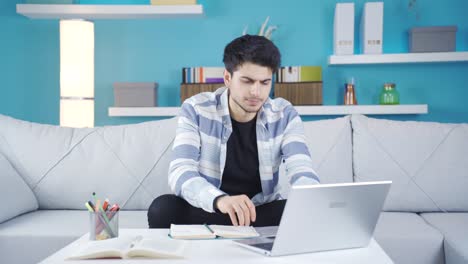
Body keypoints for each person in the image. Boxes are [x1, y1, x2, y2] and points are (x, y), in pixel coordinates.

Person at [148, 34, 319, 228]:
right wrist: (220, 200)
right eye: (247, 81)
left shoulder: (284, 114)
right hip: (212, 209)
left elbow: (302, 170)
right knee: (162, 209)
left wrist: (313, 202)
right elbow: (181, 170)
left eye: (264, 82)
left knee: (303, 210)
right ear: (228, 78)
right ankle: (233, 226)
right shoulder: (196, 108)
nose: (256, 92)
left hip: (258, 212)